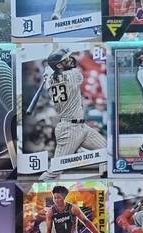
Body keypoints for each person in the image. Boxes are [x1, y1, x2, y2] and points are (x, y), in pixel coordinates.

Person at [39, 49, 106, 180]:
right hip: (69, 129)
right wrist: (51, 73)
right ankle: (35, 189)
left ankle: (105, 179)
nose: (69, 60)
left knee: (106, 152)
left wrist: (48, 75)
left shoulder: (49, 81)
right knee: (55, 170)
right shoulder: (73, 75)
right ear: (59, 65)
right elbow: (75, 74)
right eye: (65, 59)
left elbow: (56, 78)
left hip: (81, 127)